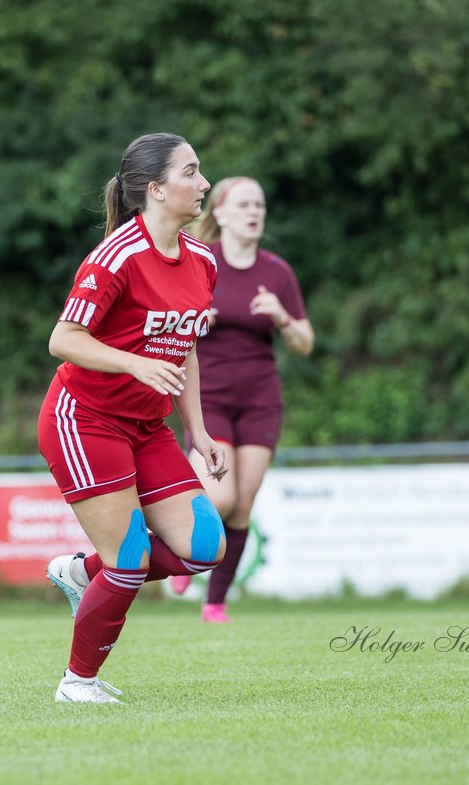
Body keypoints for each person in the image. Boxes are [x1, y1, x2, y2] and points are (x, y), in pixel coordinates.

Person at [38, 132, 228, 703]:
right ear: (155, 188)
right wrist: (134, 364)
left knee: (203, 546)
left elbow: (186, 344)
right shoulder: (114, 257)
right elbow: (62, 339)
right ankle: (78, 684)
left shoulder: (200, 259)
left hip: (147, 426)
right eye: (191, 173)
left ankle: (80, 572)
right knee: (129, 561)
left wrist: (197, 428)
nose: (204, 184)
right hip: (85, 419)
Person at [176, 176, 314, 622]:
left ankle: (214, 601)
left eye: (260, 205)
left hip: (260, 401)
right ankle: (178, 551)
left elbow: (305, 342)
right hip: (208, 396)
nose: (255, 212)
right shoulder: (199, 260)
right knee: (218, 498)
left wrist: (282, 318)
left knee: (241, 506)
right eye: (244, 205)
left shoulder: (277, 271)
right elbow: (166, 324)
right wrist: (196, 320)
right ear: (219, 213)